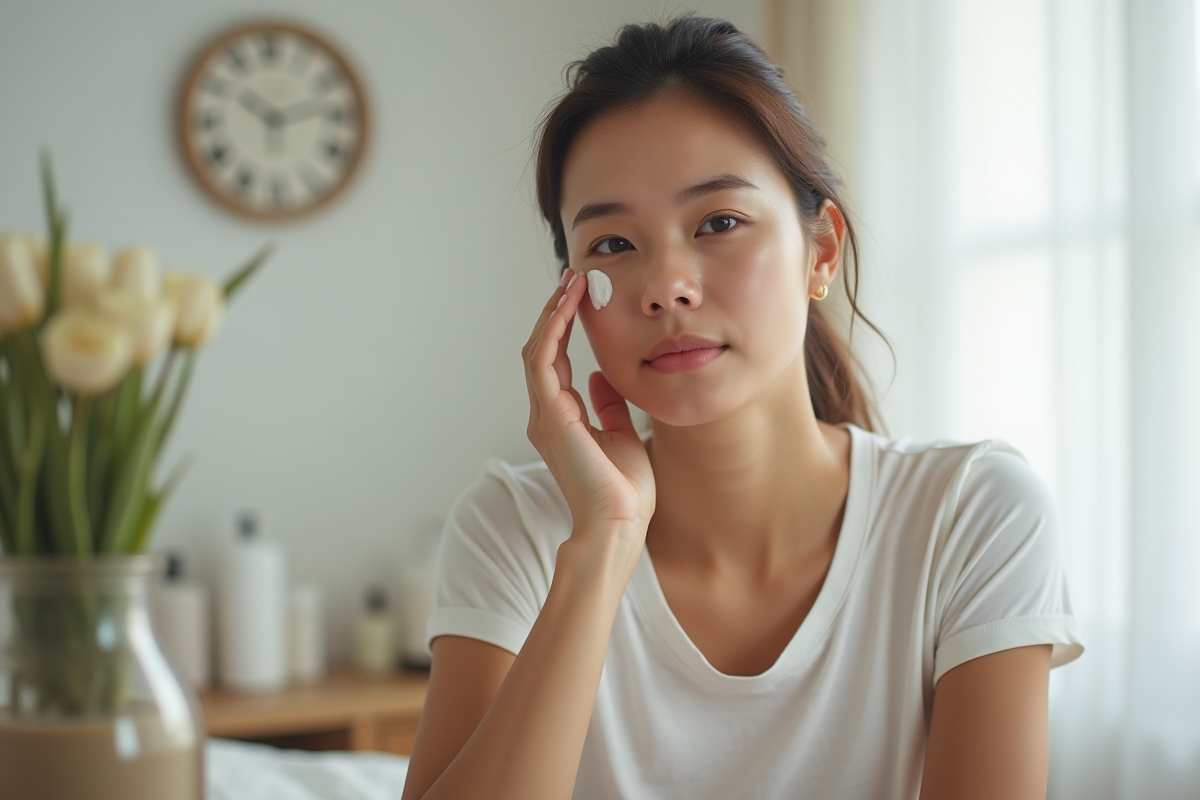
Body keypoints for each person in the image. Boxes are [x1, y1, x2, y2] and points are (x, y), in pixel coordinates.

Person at [401, 14, 1083, 800]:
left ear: (821, 250)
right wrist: (604, 546)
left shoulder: (972, 514)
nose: (666, 286)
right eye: (612, 246)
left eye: (719, 222)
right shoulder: (515, 526)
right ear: (572, 298)